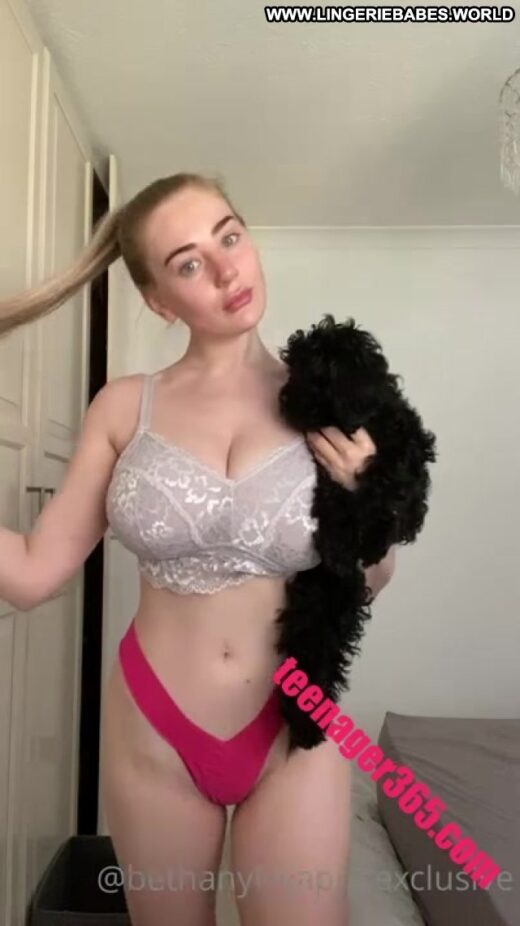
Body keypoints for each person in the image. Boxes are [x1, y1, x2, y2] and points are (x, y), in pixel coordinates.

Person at [0, 173, 396, 926]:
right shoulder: (125, 406)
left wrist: (365, 500)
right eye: (187, 263)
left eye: (229, 236)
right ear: (159, 301)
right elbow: (30, 573)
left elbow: (371, 579)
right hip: (155, 725)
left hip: (294, 721)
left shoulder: (332, 401)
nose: (224, 270)